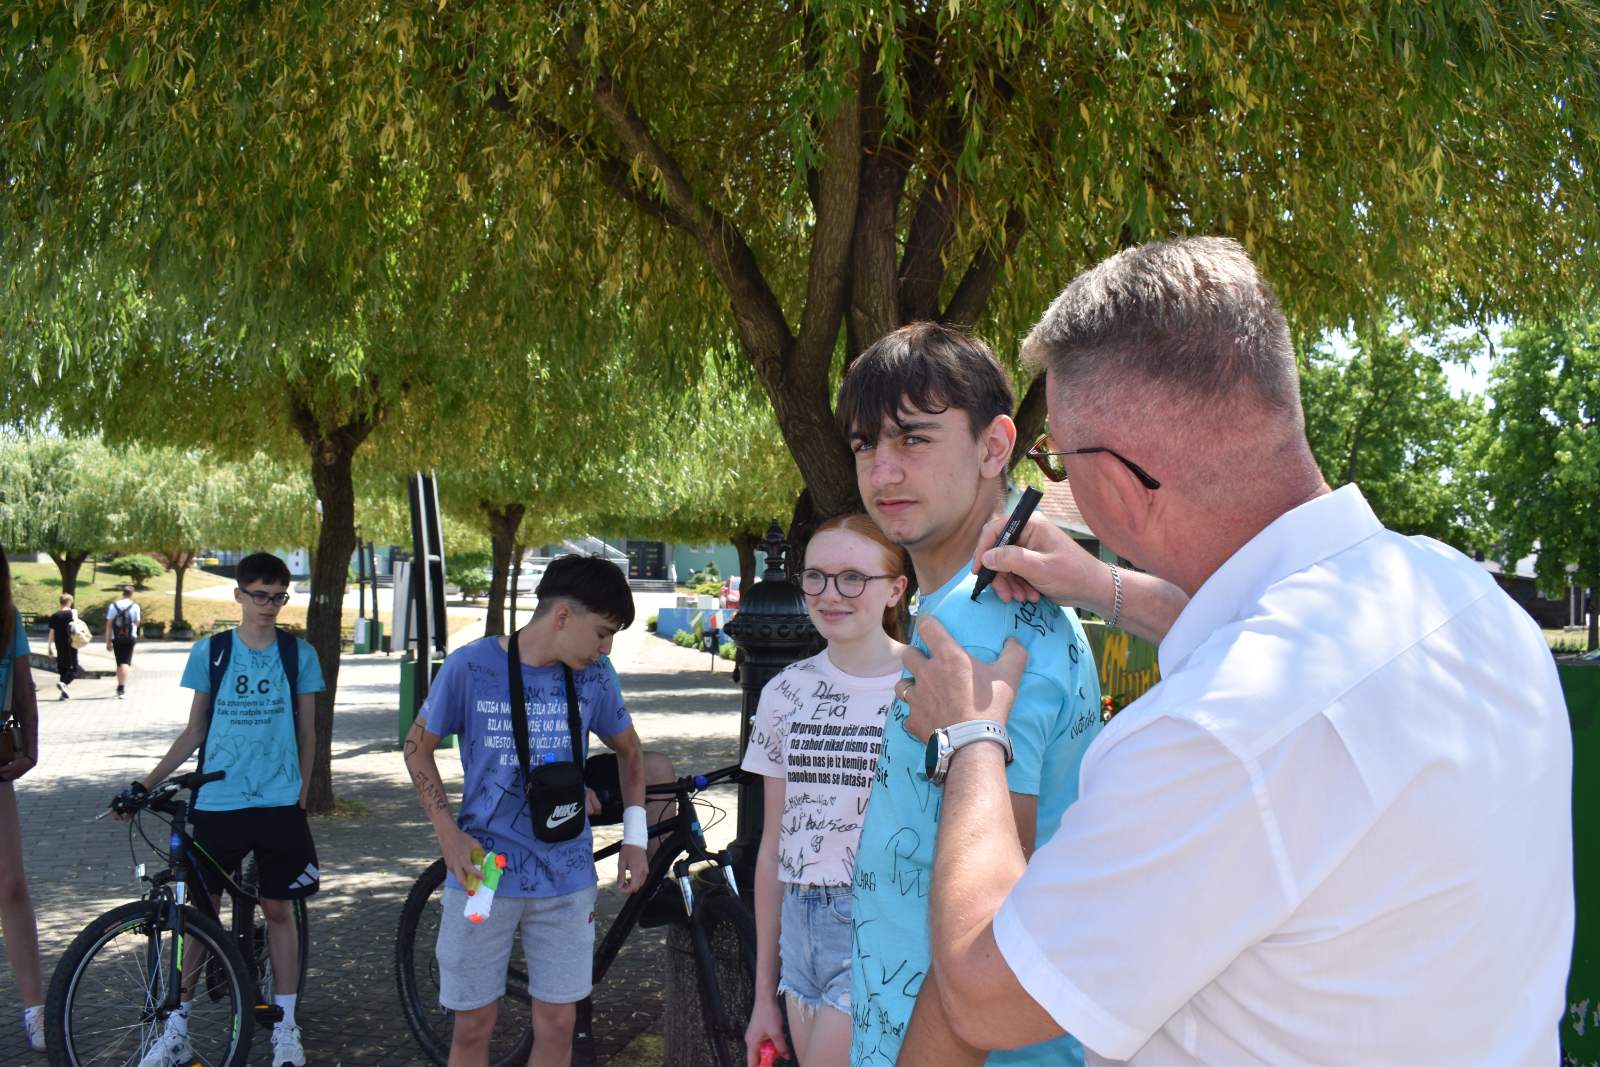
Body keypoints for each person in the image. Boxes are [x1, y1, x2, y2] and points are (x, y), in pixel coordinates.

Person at [898, 236, 1574, 1065]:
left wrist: (971, 735)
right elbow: (1263, 625)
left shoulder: (1215, 733)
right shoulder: (1462, 596)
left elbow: (978, 993)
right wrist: (1100, 584)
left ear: (1112, 480)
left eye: (1056, 460)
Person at [836, 322, 1104, 1067]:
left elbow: (993, 930)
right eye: (864, 445)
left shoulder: (976, 626)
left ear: (995, 447)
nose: (882, 470)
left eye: (913, 439)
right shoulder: (979, 607)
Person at [403, 554, 650, 1067]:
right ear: (562, 616)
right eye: (602, 633)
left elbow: (631, 750)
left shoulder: (596, 676)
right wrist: (446, 833)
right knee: (473, 1024)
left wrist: (635, 838)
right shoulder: (470, 666)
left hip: (567, 874)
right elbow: (416, 747)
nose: (606, 649)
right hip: (483, 874)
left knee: (558, 1024)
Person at [120, 552, 324, 1067]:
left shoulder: (299, 656)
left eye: (278, 597)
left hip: (278, 803)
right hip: (217, 801)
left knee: (279, 909)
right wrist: (144, 783)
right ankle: (177, 1028)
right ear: (239, 595)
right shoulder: (211, 652)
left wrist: (299, 795)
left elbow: (308, 732)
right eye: (260, 595)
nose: (269, 606)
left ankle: (286, 1026)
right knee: (199, 919)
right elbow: (194, 731)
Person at [741, 514, 909, 1067]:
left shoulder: (923, 687)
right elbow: (773, 847)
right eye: (815, 577)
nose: (830, 594)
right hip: (799, 926)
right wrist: (764, 994)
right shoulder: (783, 693)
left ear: (895, 589)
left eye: (853, 578)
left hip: (878, 920)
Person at [0, 551, 45, 1053]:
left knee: (10, 885)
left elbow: (26, 689)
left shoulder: (7, 618)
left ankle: (35, 1009)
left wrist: (31, 748)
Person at [105, 583, 141, 699]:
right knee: (126, 662)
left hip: (117, 638)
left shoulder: (113, 606)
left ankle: (119, 685)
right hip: (130, 637)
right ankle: (121, 688)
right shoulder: (135, 606)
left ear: (123, 593)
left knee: (119, 662)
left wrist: (108, 641)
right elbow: (137, 622)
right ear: (132, 594)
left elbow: (109, 625)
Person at [45, 592, 80, 700]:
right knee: (74, 670)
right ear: (69, 602)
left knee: (63, 668)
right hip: (71, 644)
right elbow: (78, 629)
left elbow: (52, 632)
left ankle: (63, 693)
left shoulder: (55, 616)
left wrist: (49, 647)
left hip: (59, 645)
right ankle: (64, 683)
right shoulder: (72, 614)